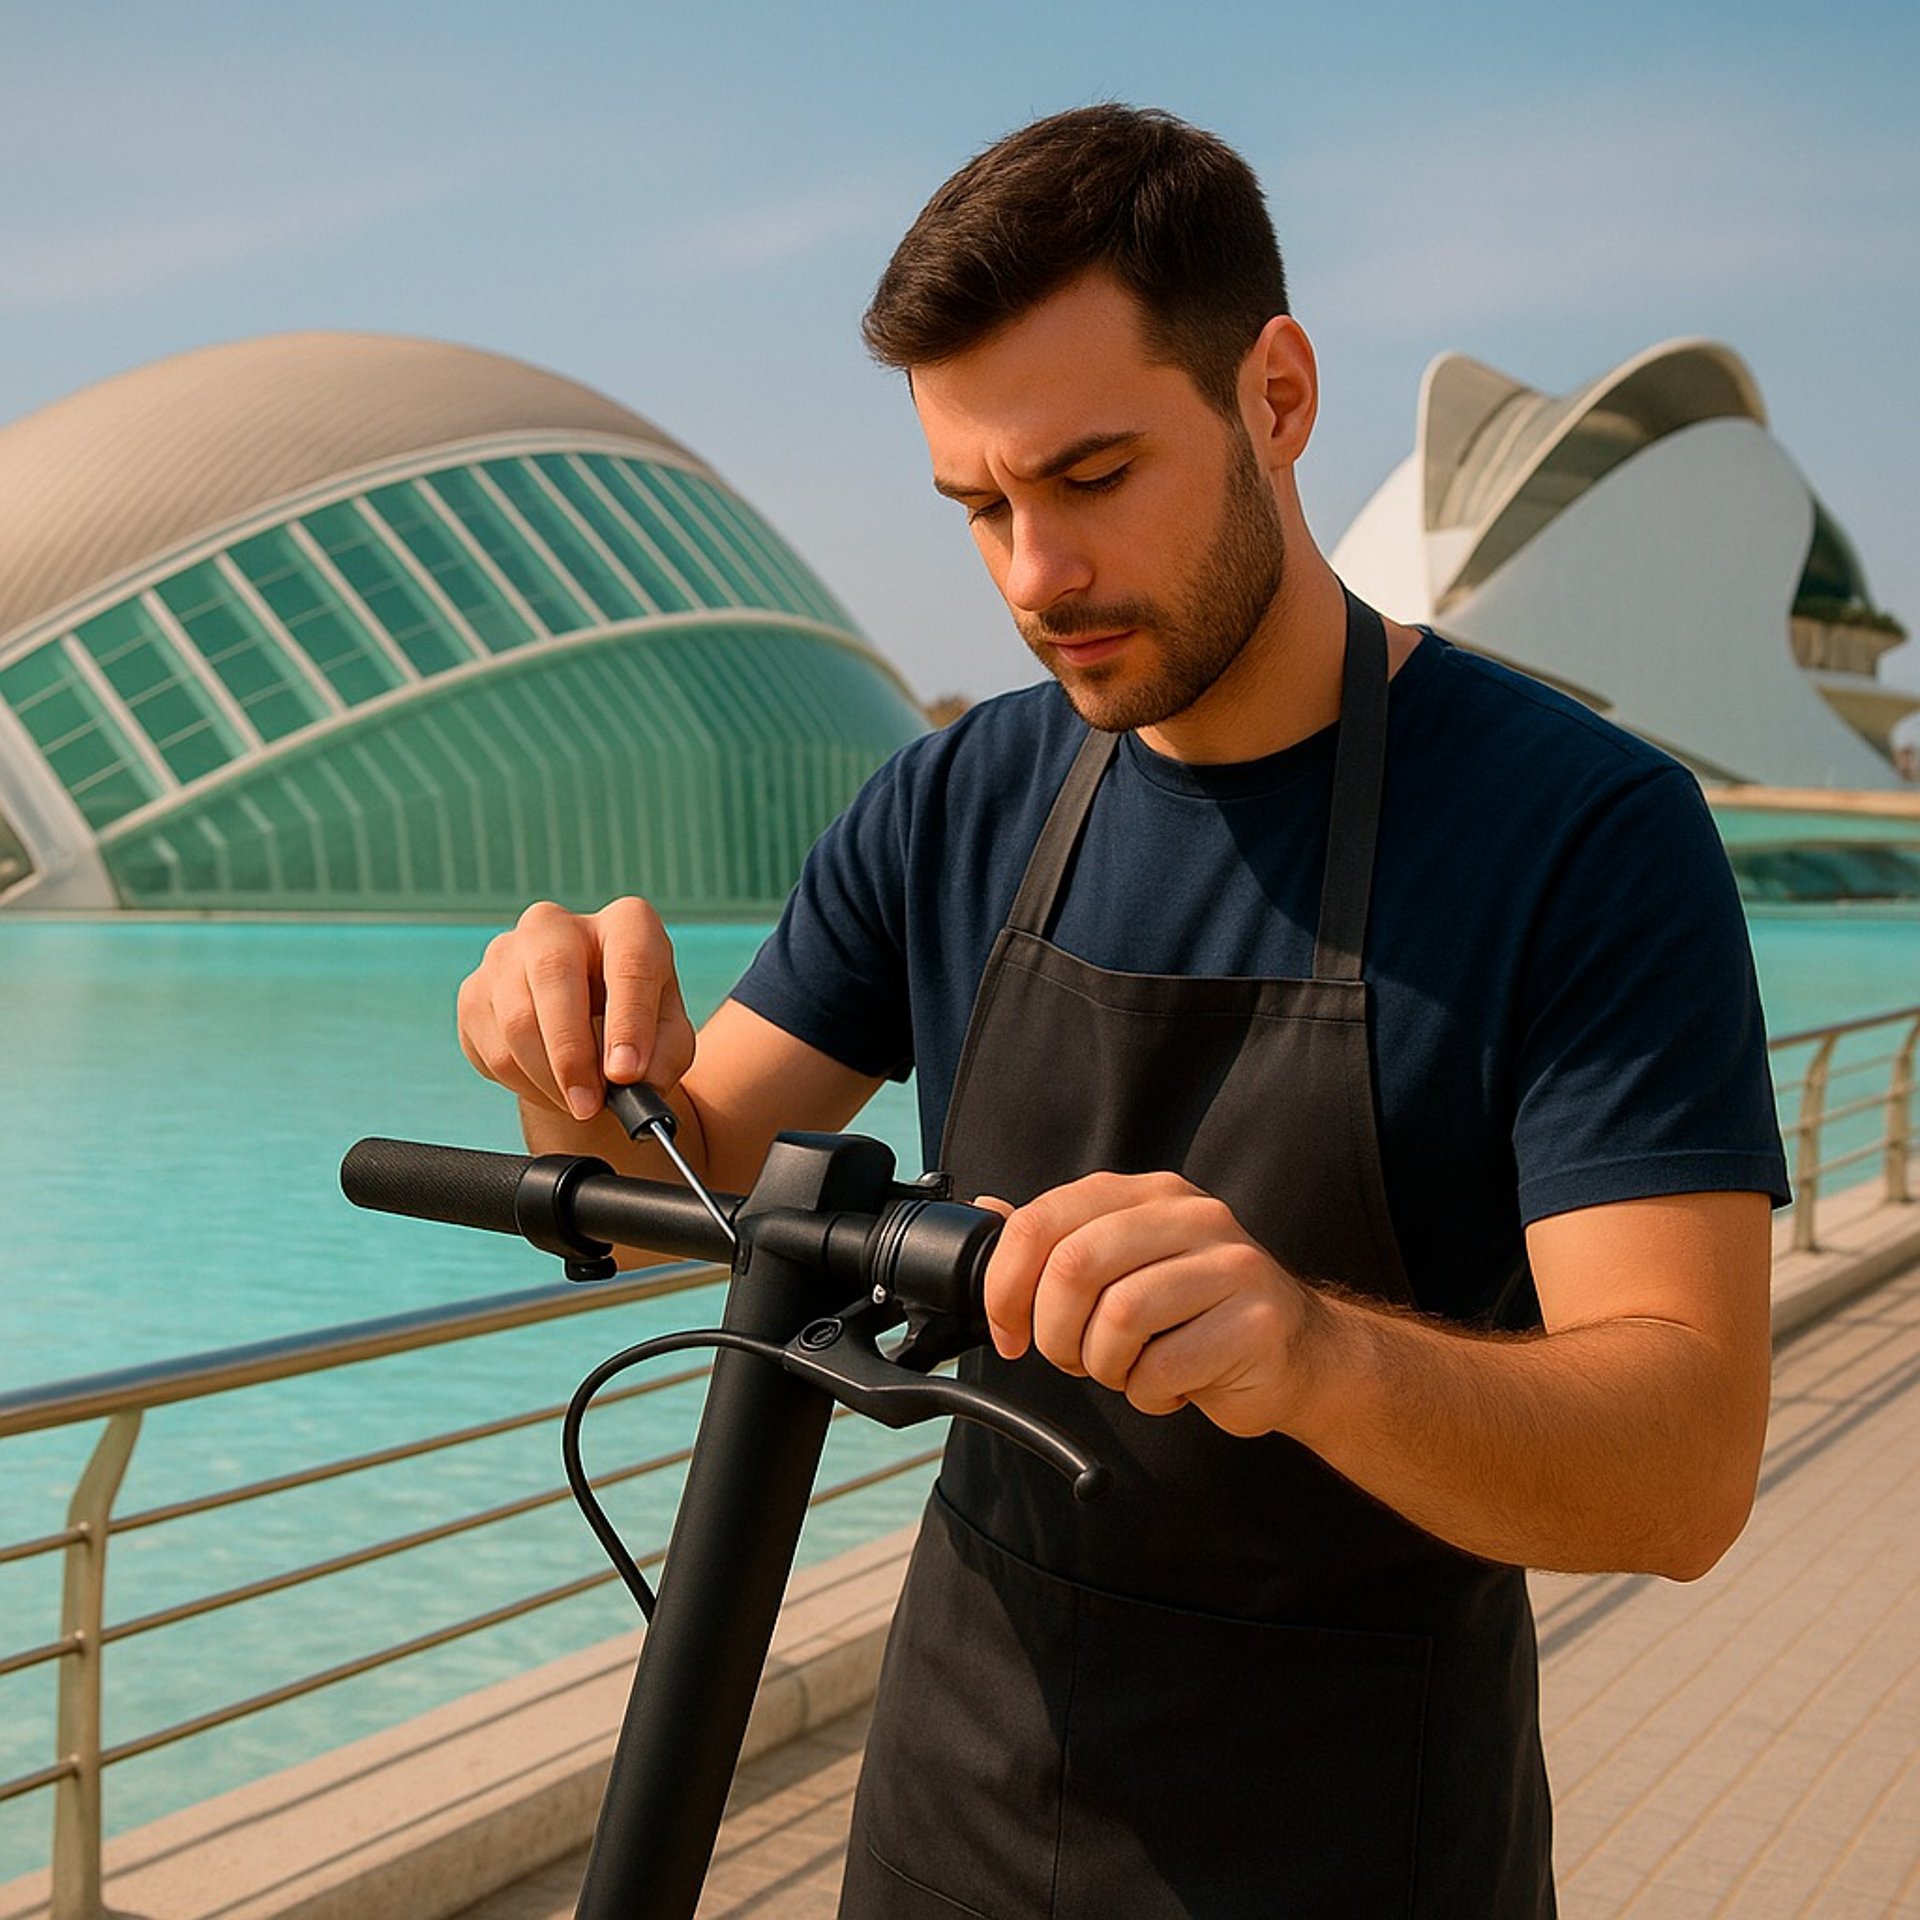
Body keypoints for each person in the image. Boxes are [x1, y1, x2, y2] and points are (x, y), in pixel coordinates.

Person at [458, 105, 1788, 1919]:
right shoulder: (955, 801)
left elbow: (1685, 1469)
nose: (1031, 578)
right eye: (980, 507)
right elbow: (694, 1178)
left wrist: (1310, 1350)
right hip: (957, 1805)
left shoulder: (1583, 835)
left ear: (1279, 395)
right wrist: (566, 1049)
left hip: (1357, 1843)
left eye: (1092, 479)